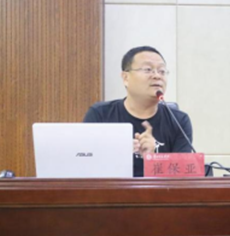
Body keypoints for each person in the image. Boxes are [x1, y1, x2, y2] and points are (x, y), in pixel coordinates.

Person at [83, 46, 193, 177]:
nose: (157, 76)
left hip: (159, 190)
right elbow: (85, 167)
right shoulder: (100, 115)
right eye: (148, 69)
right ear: (126, 78)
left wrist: (153, 158)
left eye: (162, 71)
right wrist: (117, 154)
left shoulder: (179, 121)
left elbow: (182, 179)